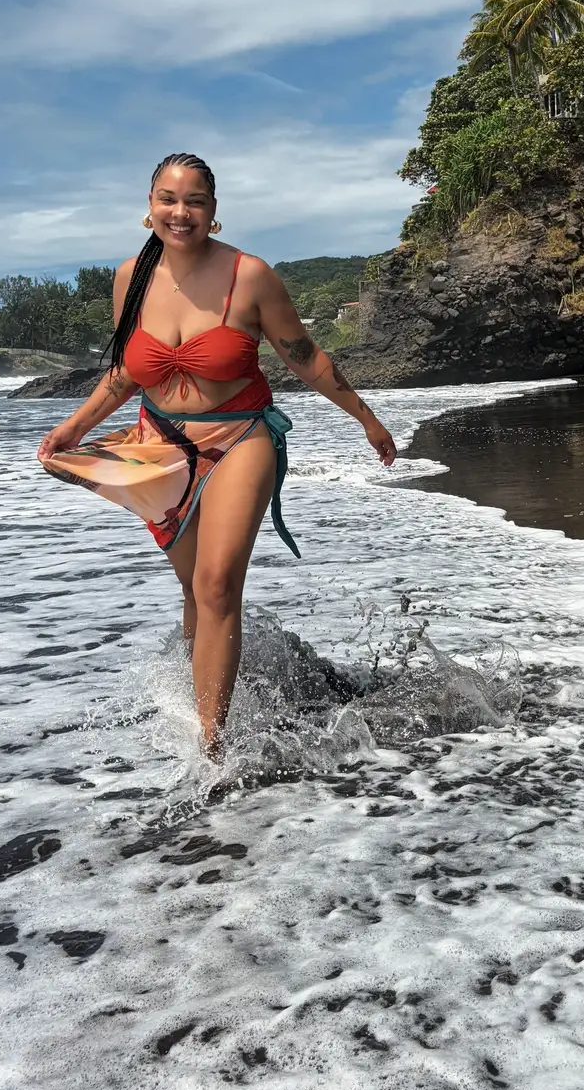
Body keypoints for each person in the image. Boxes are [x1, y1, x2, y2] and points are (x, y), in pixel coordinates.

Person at [37, 151, 396, 754]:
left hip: (239, 438)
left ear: (214, 213)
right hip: (161, 445)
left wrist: (367, 419)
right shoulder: (129, 278)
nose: (181, 213)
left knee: (217, 585)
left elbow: (304, 358)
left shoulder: (249, 275)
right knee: (192, 588)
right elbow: (127, 372)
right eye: (168, 200)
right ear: (149, 208)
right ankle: (207, 690)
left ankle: (212, 745)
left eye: (195, 201)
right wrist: (74, 426)